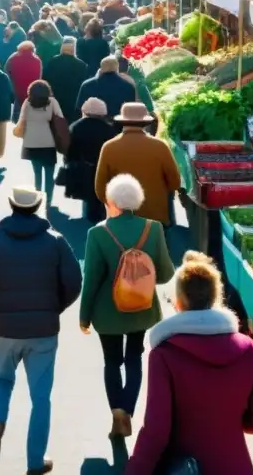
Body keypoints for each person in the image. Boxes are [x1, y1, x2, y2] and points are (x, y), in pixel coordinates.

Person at [126, 252, 253, 475]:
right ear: (216, 300)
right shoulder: (247, 348)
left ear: (178, 303)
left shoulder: (164, 355)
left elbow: (156, 431)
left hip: (186, 468)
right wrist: (227, 419)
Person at [0, 187, 83, 475]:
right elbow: (74, 282)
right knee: (41, 398)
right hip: (43, 330)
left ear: (11, 207)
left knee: (2, 379)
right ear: (38, 208)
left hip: (4, 329)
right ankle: (35, 461)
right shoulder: (56, 242)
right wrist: (55, 307)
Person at [79, 174, 175, 439]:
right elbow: (166, 275)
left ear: (111, 201)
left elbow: (92, 280)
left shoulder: (98, 233)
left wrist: (84, 316)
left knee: (111, 361)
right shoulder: (153, 229)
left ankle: (116, 413)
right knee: (134, 358)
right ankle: (127, 410)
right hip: (142, 308)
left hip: (106, 312)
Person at [95, 103, 180, 227]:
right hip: (155, 216)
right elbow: (175, 182)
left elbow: (100, 187)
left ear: (122, 122)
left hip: (120, 216)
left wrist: (114, 206)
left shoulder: (109, 147)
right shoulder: (160, 146)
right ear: (146, 123)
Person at [62, 97, 117, 224]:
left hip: (83, 167)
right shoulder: (109, 129)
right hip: (103, 167)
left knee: (87, 195)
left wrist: (69, 161)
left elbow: (70, 150)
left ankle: (87, 217)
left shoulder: (76, 127)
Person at [15, 80, 64, 213]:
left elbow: (21, 120)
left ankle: (37, 198)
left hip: (31, 142)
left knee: (37, 173)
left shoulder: (27, 102)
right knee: (49, 174)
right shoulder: (52, 102)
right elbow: (60, 118)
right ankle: (48, 201)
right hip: (48, 142)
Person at [75, 56, 136, 122]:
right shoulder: (128, 86)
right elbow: (131, 110)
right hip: (117, 126)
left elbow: (79, 108)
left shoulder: (86, 85)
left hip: (92, 125)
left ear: (101, 67)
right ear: (117, 68)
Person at [42, 37, 87, 124]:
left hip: (56, 98)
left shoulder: (52, 62)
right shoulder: (81, 65)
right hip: (73, 100)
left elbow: (45, 79)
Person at [5, 40, 42, 123]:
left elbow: (6, 70)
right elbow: (39, 76)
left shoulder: (13, 58)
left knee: (17, 108)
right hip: (30, 89)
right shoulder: (37, 60)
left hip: (17, 87)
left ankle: (16, 123)